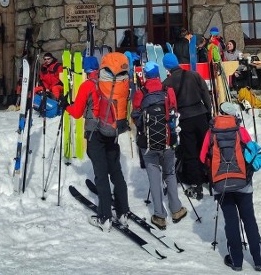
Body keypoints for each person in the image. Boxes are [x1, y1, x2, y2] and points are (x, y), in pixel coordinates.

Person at [200, 102, 261, 272]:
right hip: (243, 183)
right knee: (249, 219)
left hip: (221, 184)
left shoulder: (211, 132)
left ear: (219, 114)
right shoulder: (241, 132)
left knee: (231, 221)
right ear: (235, 116)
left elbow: (202, 156)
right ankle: (259, 259)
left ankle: (236, 261)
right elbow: (252, 154)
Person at [64, 52, 130, 231]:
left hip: (95, 135)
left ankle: (105, 217)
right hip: (112, 132)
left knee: (101, 176)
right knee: (116, 172)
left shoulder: (88, 85)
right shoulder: (117, 83)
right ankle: (123, 213)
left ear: (86, 69)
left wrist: (66, 106)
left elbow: (77, 112)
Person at [132, 62, 187, 229]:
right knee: (169, 173)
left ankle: (159, 215)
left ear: (145, 76)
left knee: (154, 177)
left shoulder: (140, 93)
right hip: (167, 141)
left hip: (148, 143)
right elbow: (174, 111)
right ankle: (176, 209)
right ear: (158, 74)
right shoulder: (167, 90)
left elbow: (135, 115)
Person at [161, 51, 211, 200]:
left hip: (185, 119)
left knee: (190, 152)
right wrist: (208, 111)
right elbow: (205, 94)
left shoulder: (167, 83)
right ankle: (213, 177)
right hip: (201, 114)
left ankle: (196, 185)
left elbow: (167, 104)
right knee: (206, 148)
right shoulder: (194, 75)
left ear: (167, 67)